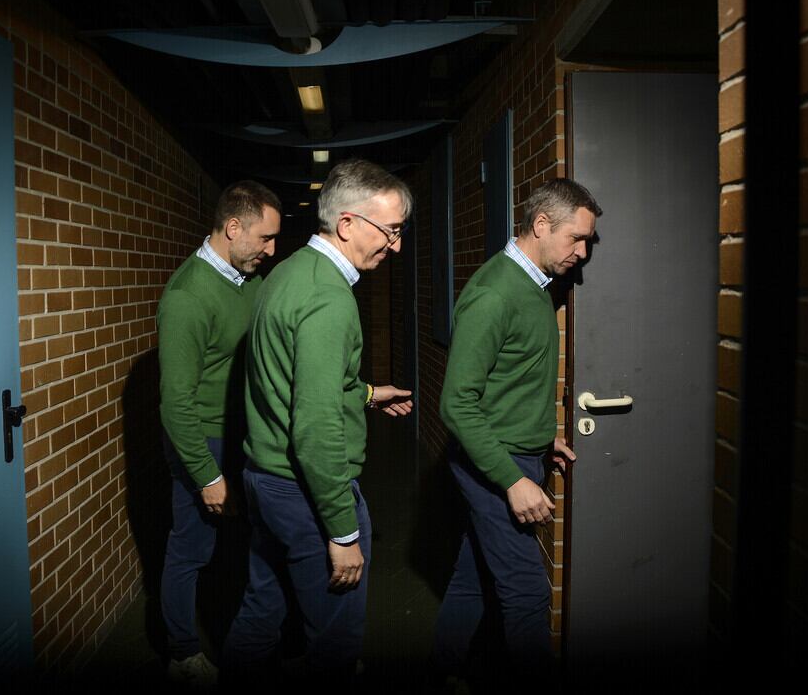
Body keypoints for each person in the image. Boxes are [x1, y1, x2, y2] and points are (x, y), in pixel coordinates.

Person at [221, 159, 414, 688]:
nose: (395, 246)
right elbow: (315, 427)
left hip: (264, 480)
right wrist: (343, 531)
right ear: (348, 224)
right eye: (390, 231)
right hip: (306, 493)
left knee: (263, 607)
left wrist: (368, 393)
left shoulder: (289, 272)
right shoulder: (329, 298)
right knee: (334, 638)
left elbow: (289, 379)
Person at [431, 178, 602, 687]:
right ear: (541, 224)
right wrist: (511, 479)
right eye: (576, 238)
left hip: (514, 453)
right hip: (493, 465)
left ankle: (439, 676)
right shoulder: (494, 293)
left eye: (589, 241)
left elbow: (510, 383)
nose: (583, 252)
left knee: (472, 579)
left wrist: (540, 436)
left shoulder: (532, 287)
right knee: (527, 592)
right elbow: (456, 403)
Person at [157, 180, 282, 688]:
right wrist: (206, 476)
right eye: (265, 238)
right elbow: (176, 405)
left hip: (241, 435)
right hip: (201, 440)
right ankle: (182, 653)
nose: (272, 250)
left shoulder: (244, 279)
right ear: (233, 229)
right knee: (191, 548)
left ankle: (250, 637)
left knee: (249, 540)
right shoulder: (187, 297)